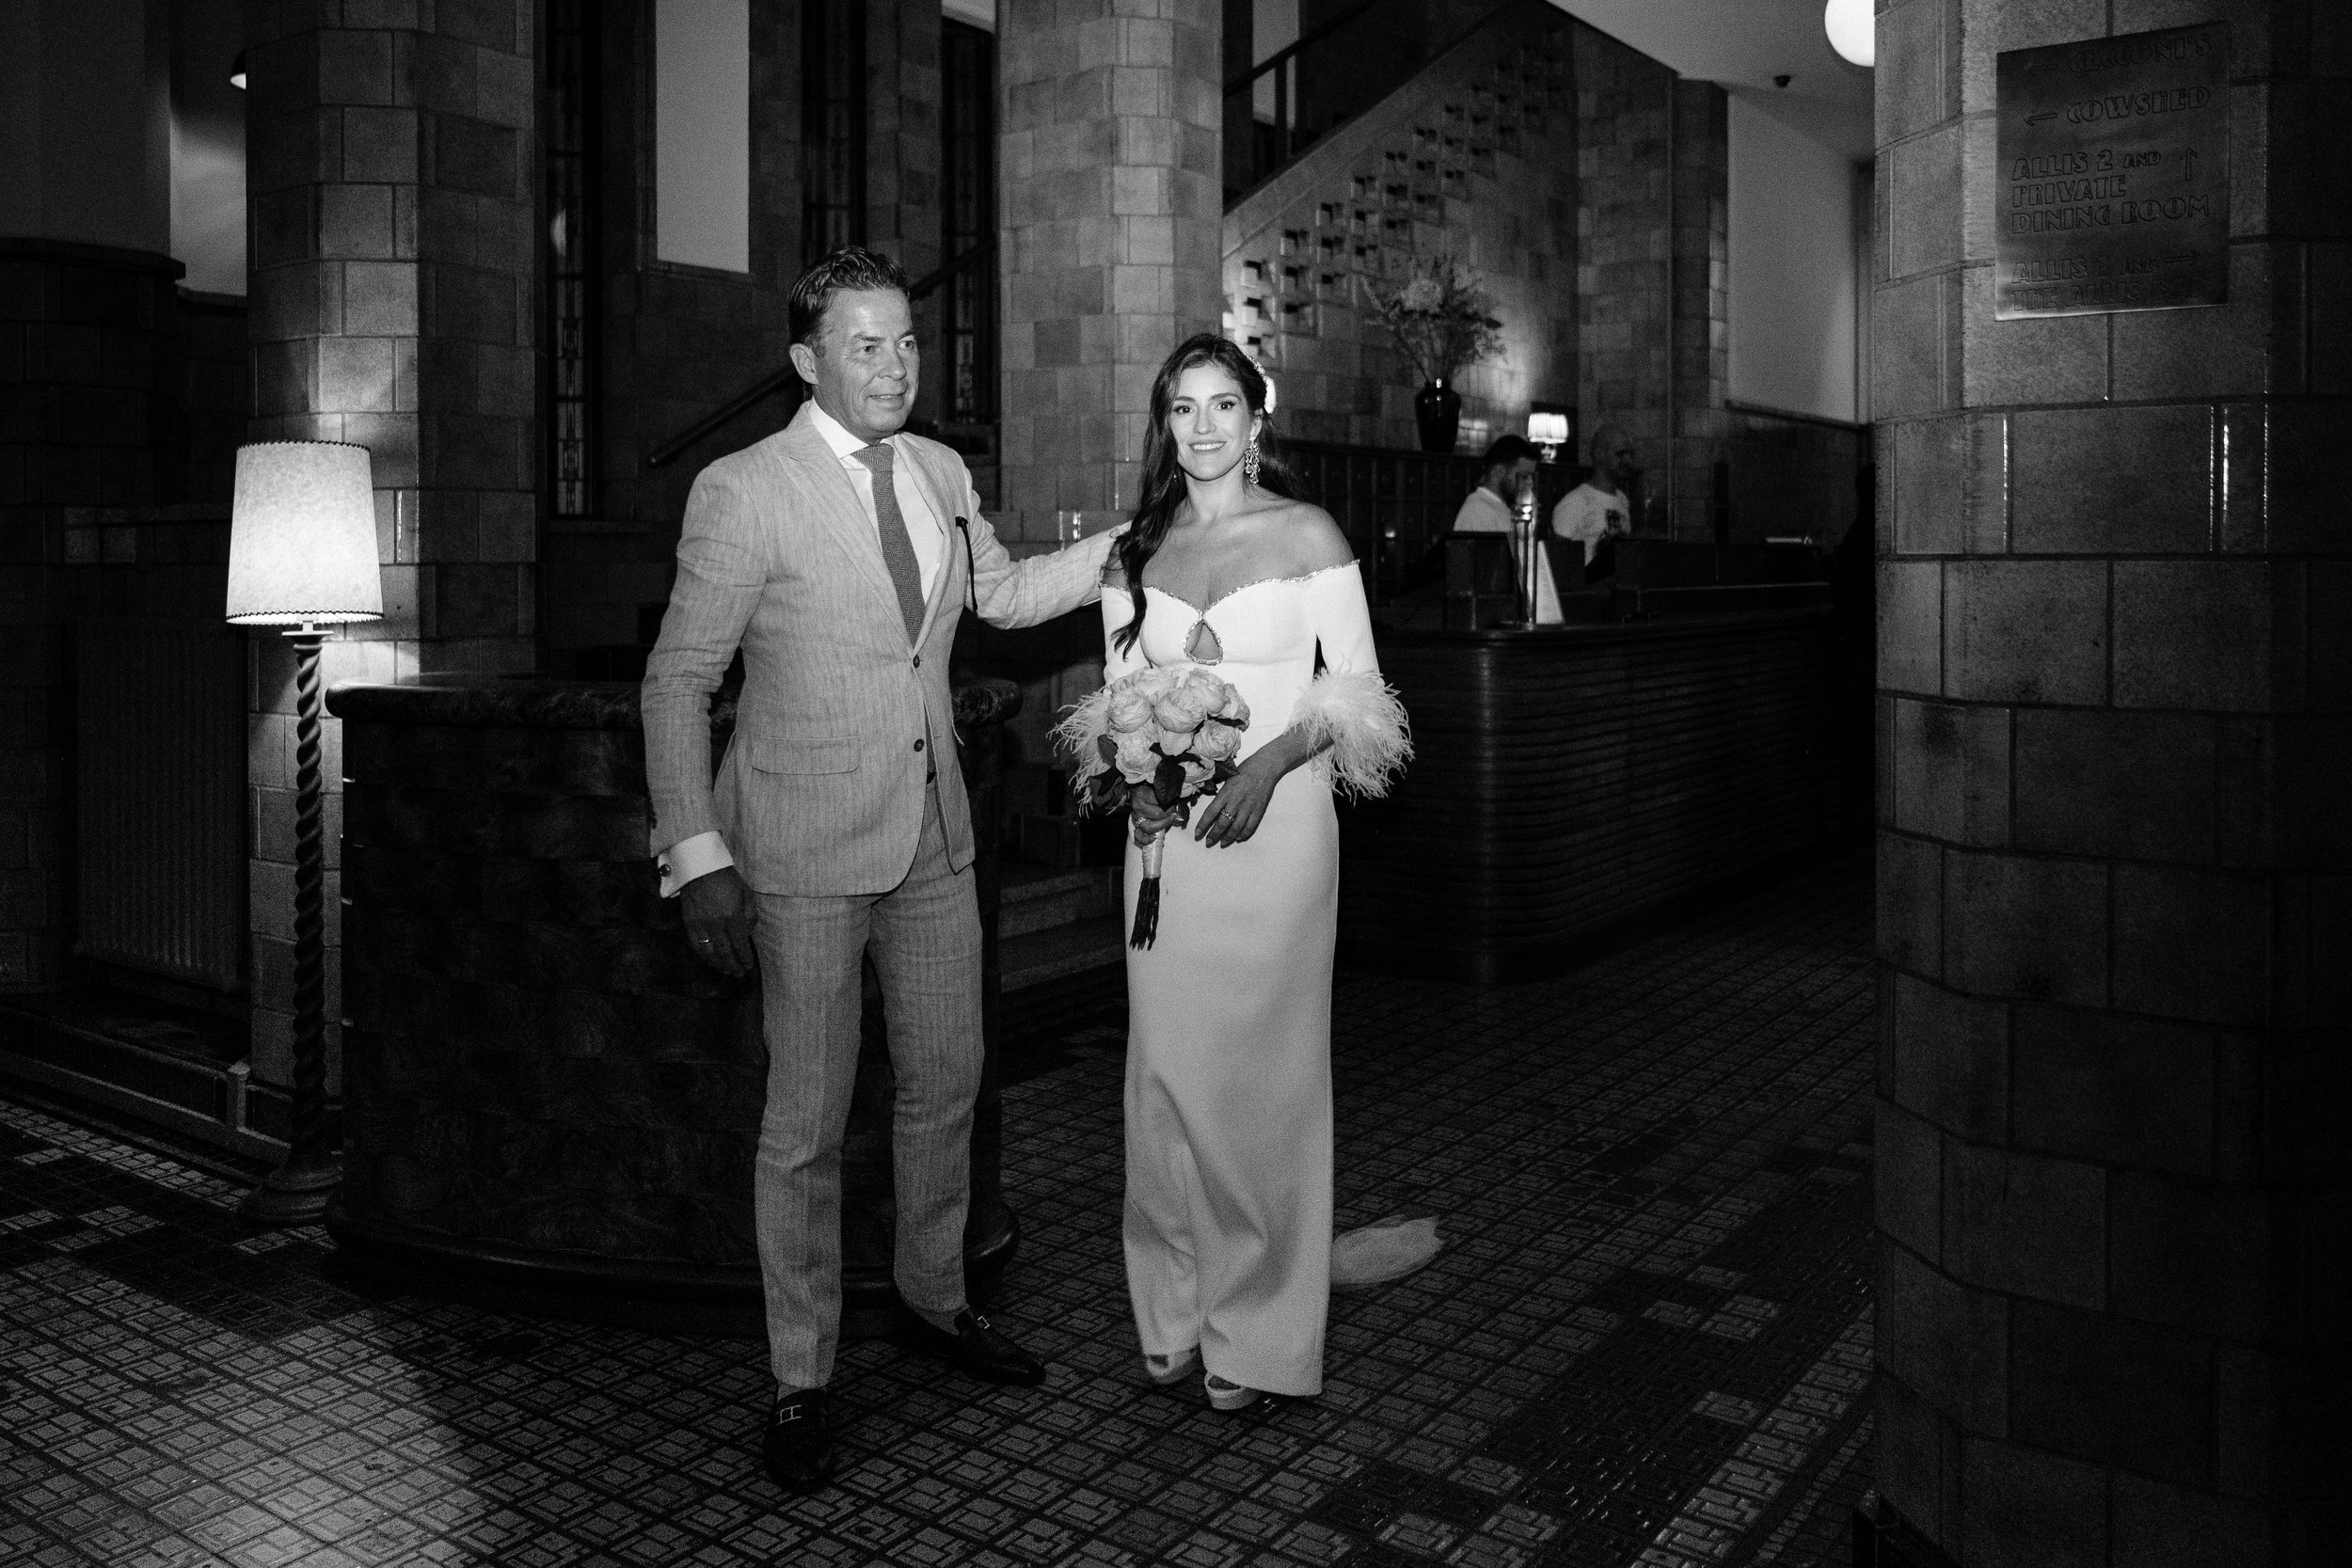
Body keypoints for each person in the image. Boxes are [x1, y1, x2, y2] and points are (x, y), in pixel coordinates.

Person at [640, 246, 1123, 1494]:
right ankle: (801, 1376)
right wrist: (700, 857)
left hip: (934, 833)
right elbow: (678, 683)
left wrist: (1137, 544)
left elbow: (1005, 596)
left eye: (905, 341)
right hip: (795, 847)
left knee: (948, 1083)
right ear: (807, 359)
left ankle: (935, 1293)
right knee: (803, 1122)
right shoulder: (742, 490)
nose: (894, 364)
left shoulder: (944, 470)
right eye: (865, 343)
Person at [1069, 335, 1410, 1413]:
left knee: (1260, 1083)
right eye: (1182, 407)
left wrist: (1266, 761)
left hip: (1280, 836)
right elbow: (1111, 700)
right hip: (1165, 846)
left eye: (1223, 405)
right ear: (1163, 424)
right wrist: (1134, 772)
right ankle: (1171, 1307)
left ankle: (1257, 1329)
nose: (1203, 426)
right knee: (1162, 1078)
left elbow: (1359, 693)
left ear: (1257, 419)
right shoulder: (1134, 550)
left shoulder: (1306, 531)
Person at [1448, 433, 1560, 623]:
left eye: (1532, 478)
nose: (1530, 484)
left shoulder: (1502, 508)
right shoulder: (1478, 509)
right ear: (1499, 471)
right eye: (1523, 477)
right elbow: (1485, 578)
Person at [1551, 422, 1641, 570]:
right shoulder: (1575, 502)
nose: (1627, 460)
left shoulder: (1622, 499)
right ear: (1600, 454)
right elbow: (1559, 560)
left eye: (1629, 454)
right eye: (1620, 454)